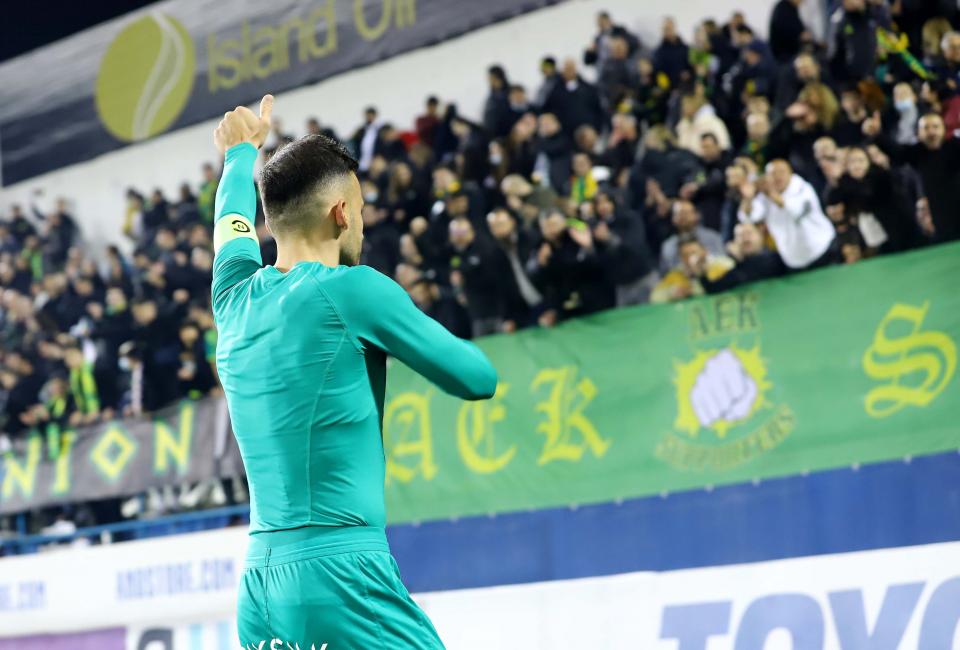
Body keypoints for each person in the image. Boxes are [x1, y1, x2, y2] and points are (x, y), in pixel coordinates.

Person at [211, 96, 496, 649]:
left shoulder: (232, 297)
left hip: (260, 588)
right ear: (341, 213)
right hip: (340, 575)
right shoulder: (355, 290)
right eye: (361, 210)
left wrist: (240, 156)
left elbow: (230, 223)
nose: (362, 222)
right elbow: (476, 377)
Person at [738, 159, 836, 270]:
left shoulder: (802, 188)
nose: (778, 177)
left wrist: (770, 194)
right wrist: (748, 198)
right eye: (773, 174)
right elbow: (747, 217)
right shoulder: (764, 197)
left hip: (823, 250)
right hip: (794, 261)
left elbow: (796, 211)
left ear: (790, 173)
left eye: (781, 172)